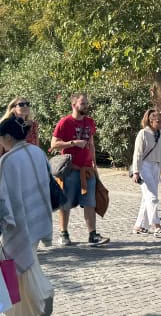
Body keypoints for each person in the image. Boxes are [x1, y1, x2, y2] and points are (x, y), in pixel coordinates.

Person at [0, 115, 54, 316]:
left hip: (17, 224)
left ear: (7, 137)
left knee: (21, 270)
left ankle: (41, 299)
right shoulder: (37, 152)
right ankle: (32, 305)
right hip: (37, 218)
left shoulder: (7, 160)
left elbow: (3, 199)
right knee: (28, 265)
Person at [50, 93, 109, 246]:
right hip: (70, 170)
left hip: (87, 170)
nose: (86, 106)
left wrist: (95, 164)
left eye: (86, 103)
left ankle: (92, 235)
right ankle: (63, 234)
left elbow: (91, 143)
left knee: (90, 202)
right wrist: (73, 143)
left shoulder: (90, 122)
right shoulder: (65, 122)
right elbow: (54, 144)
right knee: (66, 203)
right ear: (74, 105)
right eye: (82, 103)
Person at [131, 109, 161, 236]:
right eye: (158, 121)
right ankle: (156, 225)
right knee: (152, 197)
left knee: (147, 199)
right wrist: (136, 171)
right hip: (144, 167)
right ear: (151, 121)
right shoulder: (143, 133)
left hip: (156, 167)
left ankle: (139, 226)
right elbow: (138, 154)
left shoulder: (160, 133)